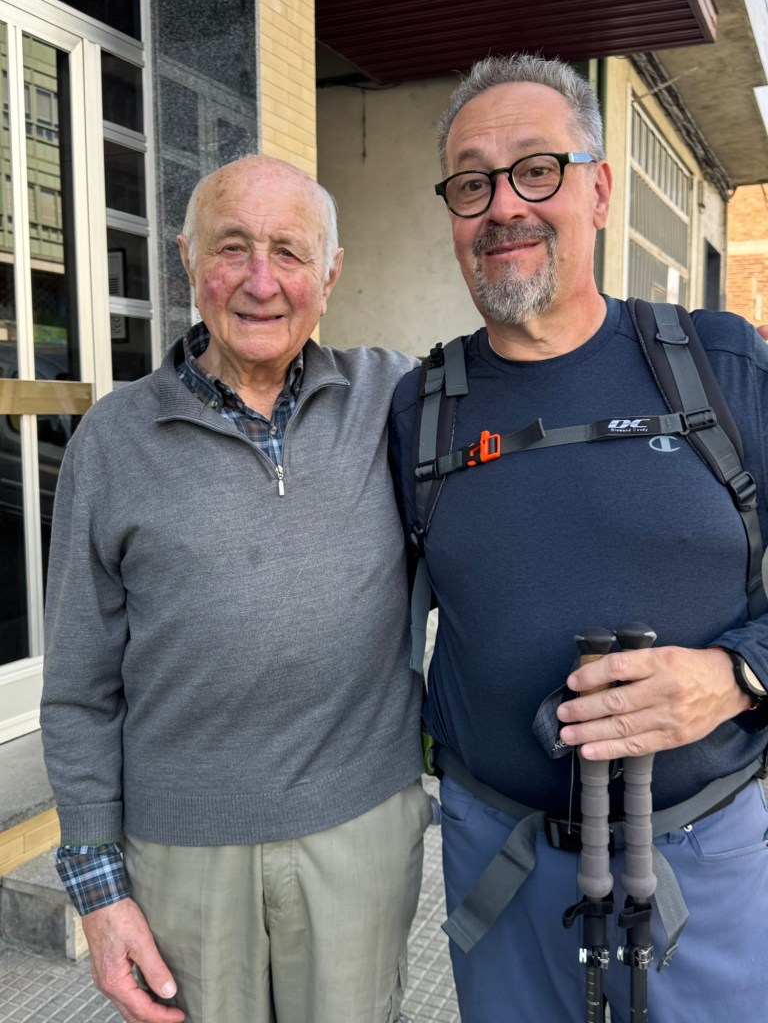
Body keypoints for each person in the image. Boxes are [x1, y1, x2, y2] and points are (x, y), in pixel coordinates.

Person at [388, 54, 768, 1022]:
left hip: (703, 858)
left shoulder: (719, 366)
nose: (503, 206)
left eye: (536, 169)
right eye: (472, 183)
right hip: (497, 862)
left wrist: (737, 676)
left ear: (598, 191)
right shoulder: (419, 409)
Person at [41, 154, 431, 1023]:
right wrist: (99, 894)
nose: (261, 281)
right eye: (232, 247)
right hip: (182, 854)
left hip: (360, 831)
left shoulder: (396, 400)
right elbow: (76, 687)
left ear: (330, 274)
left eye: (289, 251)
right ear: (188, 260)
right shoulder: (112, 440)